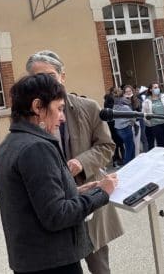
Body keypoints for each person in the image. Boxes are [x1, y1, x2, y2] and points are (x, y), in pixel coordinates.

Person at [0, 74, 117, 274]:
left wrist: (77, 191)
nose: (63, 117)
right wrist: (101, 193)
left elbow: (36, 201)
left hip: (35, 260)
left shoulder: (11, 143)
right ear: (37, 107)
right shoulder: (36, 147)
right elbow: (56, 215)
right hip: (52, 262)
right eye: (59, 109)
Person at [25, 52, 120, 274]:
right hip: (55, 203)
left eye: (50, 75)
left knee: (99, 266)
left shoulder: (88, 107)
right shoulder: (29, 113)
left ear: (62, 76)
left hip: (88, 196)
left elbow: (107, 146)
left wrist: (81, 162)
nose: (46, 82)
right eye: (38, 77)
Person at [142, 82, 164, 149]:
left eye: (158, 87)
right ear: (150, 89)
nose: (157, 89)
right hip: (156, 125)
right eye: (155, 87)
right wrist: (149, 122)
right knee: (161, 144)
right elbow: (144, 114)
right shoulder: (147, 101)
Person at [112, 88, 136, 165]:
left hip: (118, 129)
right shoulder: (125, 107)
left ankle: (133, 162)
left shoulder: (114, 107)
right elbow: (133, 116)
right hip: (126, 127)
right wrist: (131, 123)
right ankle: (128, 164)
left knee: (130, 146)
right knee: (130, 147)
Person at [123, 85, 143, 156]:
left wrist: (131, 101)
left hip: (136, 124)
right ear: (124, 93)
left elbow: (139, 112)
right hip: (127, 125)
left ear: (132, 91)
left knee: (137, 144)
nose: (128, 93)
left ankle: (137, 159)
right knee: (129, 145)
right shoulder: (122, 101)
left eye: (130, 91)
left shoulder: (137, 100)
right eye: (126, 91)